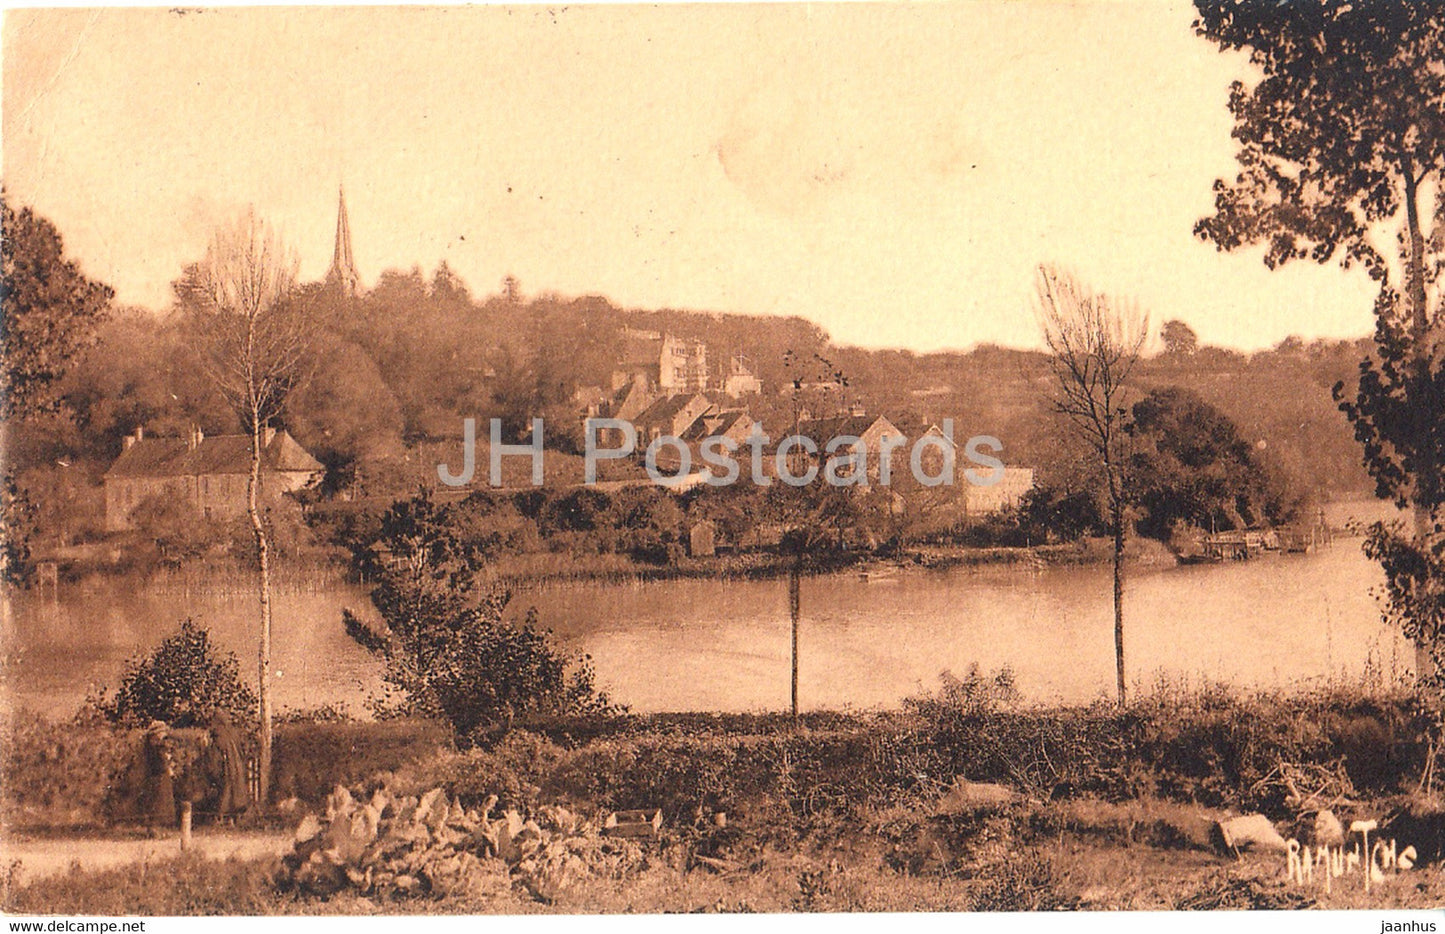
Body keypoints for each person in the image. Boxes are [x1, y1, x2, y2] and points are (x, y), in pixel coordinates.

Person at [202, 709, 252, 823]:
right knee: (235, 791)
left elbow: (216, 752)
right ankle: (234, 817)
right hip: (236, 768)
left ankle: (222, 816)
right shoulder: (233, 732)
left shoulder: (218, 733)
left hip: (226, 768)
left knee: (225, 791)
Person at [139, 720, 176, 833]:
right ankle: (155, 830)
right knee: (158, 804)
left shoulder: (154, 746)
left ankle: (157, 829)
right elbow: (160, 762)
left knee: (158, 804)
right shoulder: (155, 747)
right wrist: (168, 766)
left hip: (158, 777)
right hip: (158, 777)